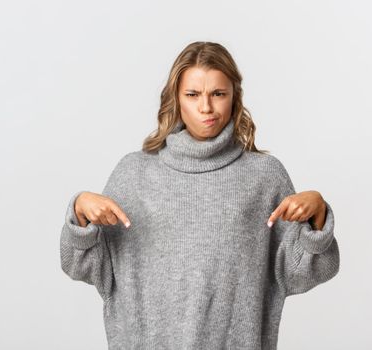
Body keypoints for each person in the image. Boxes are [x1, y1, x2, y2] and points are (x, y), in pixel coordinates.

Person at [60, 41, 340, 350]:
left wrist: (317, 217)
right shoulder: (134, 174)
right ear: (175, 99)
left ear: (234, 98)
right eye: (193, 95)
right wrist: (81, 213)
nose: (206, 107)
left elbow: (303, 273)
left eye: (218, 94)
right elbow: (81, 266)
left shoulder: (264, 176)